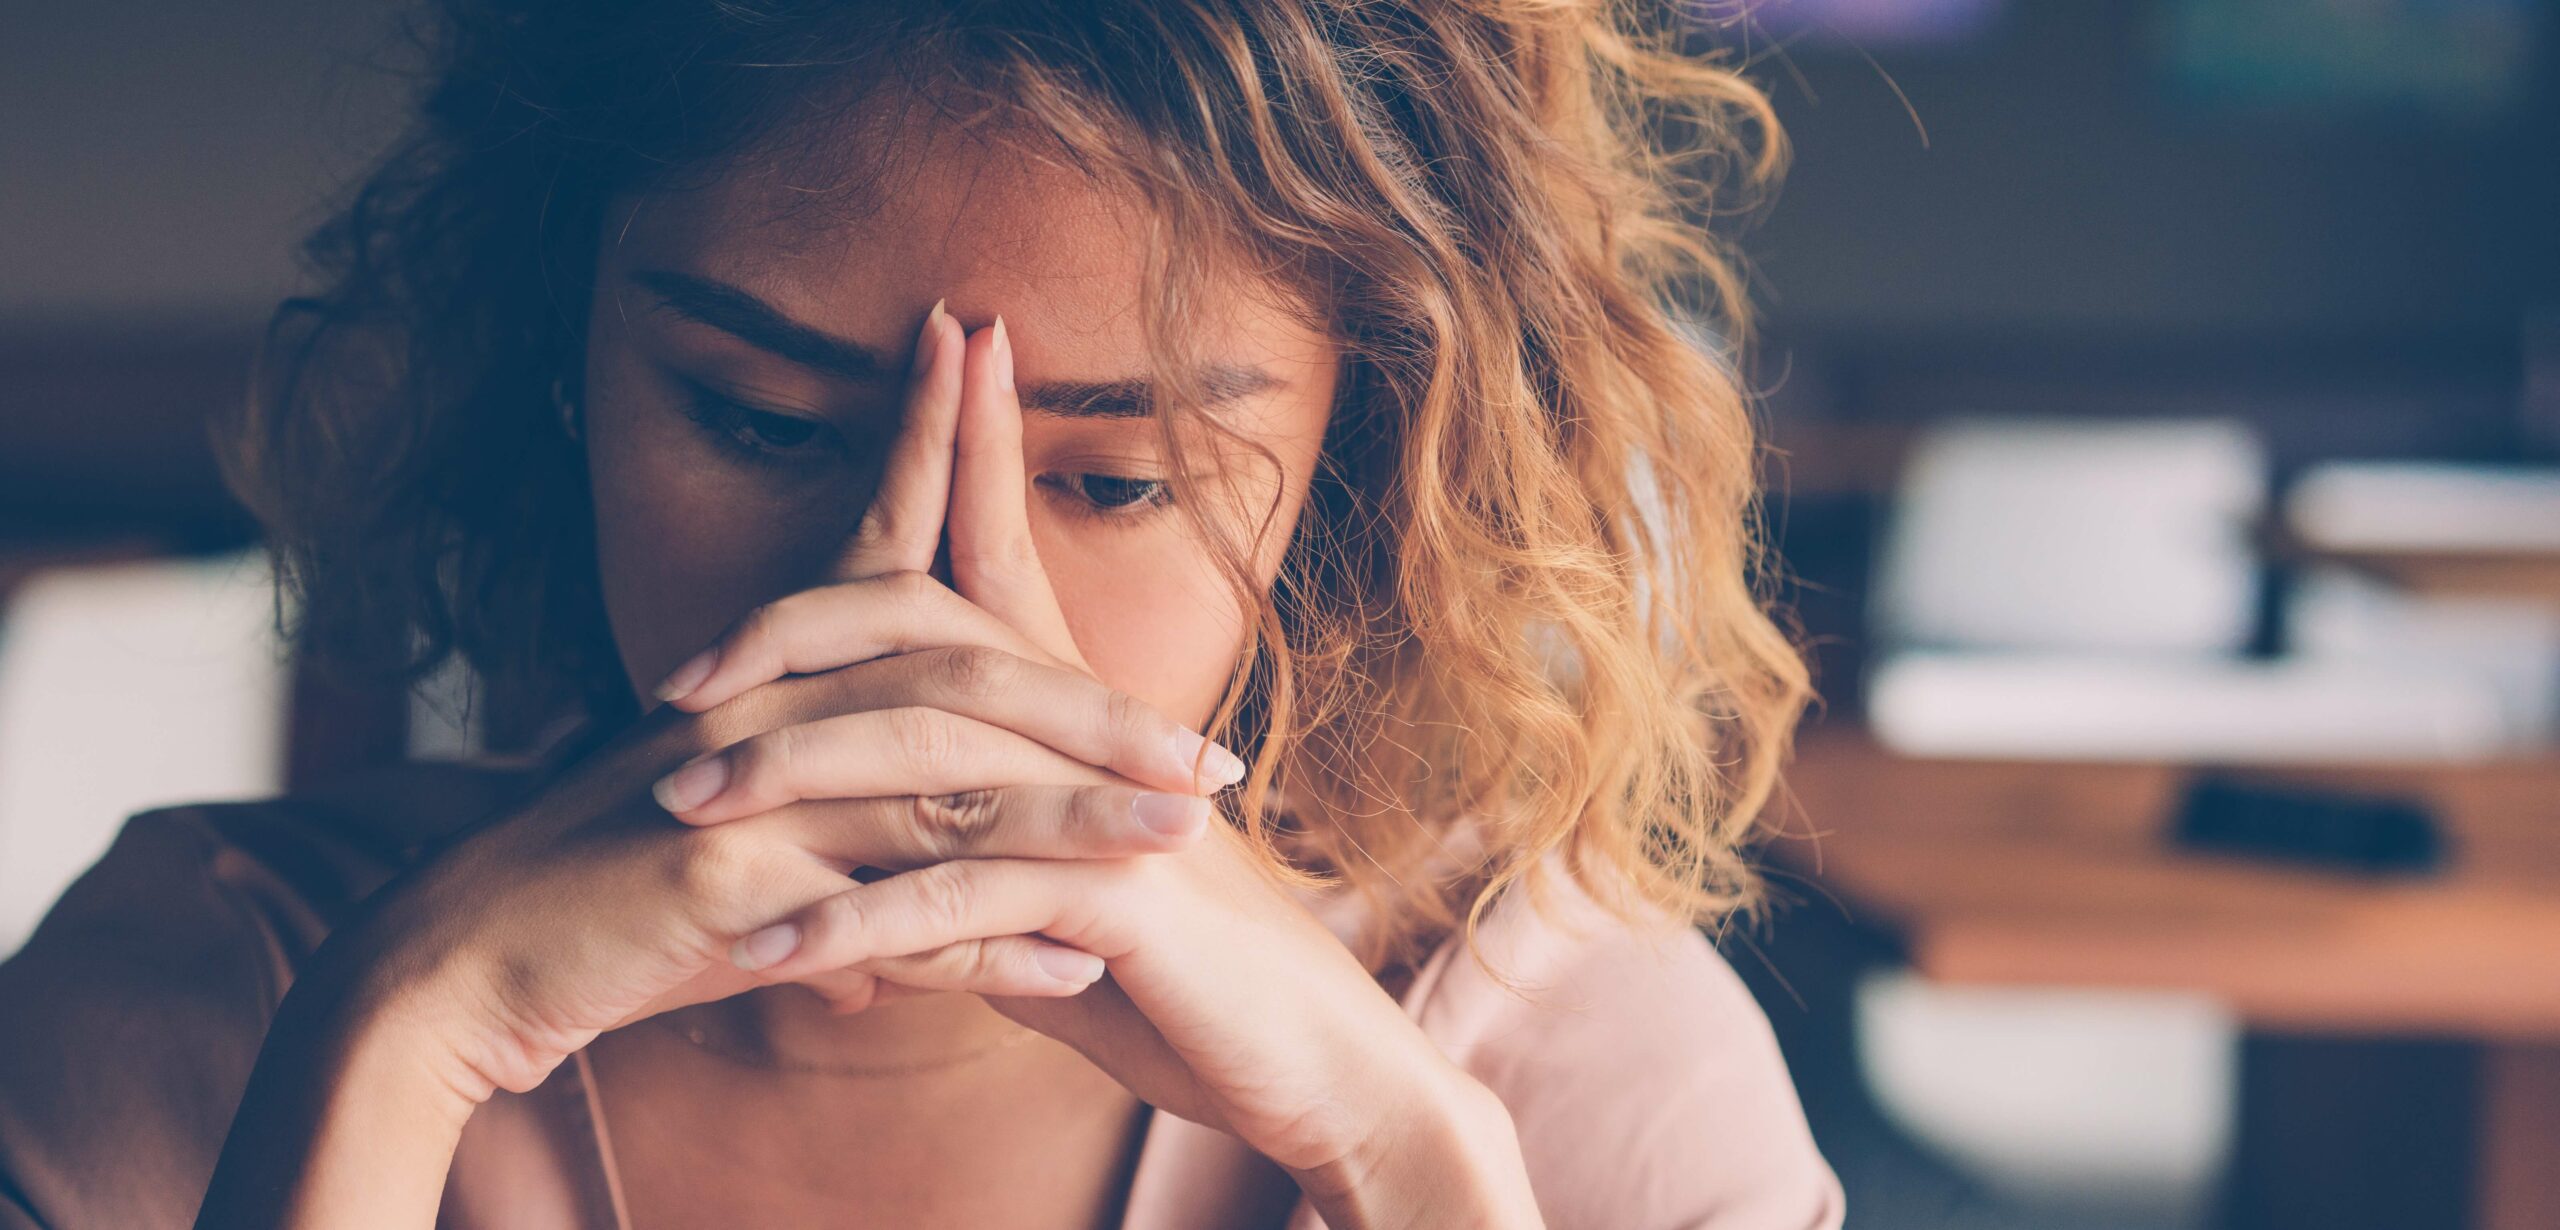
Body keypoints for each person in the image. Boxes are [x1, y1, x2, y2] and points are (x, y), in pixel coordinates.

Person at [0, 1, 1842, 1226]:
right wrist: (399, 1048)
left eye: (1120, 478)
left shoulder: (1563, 1063)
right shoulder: (215, 997)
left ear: (1355, 470)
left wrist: (1411, 1156)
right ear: (560, 359)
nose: (929, 611)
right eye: (757, 420)